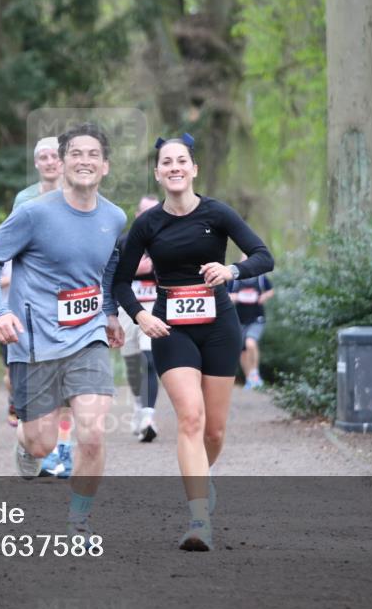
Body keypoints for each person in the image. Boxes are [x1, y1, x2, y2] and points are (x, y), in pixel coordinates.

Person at [113, 133, 273, 551]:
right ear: (158, 173)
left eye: (181, 161)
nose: (174, 168)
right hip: (171, 328)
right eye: (166, 163)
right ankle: (199, 518)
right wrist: (141, 315)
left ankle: (203, 475)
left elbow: (263, 255)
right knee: (190, 418)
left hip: (220, 325)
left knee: (214, 431)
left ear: (194, 168)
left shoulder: (216, 213)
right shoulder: (148, 224)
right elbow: (120, 281)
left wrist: (231, 272)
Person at [0, 123, 126, 539]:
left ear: (105, 166)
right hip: (35, 337)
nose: (84, 161)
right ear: (61, 163)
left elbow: (111, 264)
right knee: (41, 443)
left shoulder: (114, 217)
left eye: (93, 154)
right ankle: (25, 443)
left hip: (88, 334)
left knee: (92, 432)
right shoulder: (34, 213)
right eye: (75, 153)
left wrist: (110, 312)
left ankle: (79, 520)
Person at [0, 137, 65, 432]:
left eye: (55, 156)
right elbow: (10, 244)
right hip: (26, 295)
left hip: (64, 296)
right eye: (44, 157)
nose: (50, 162)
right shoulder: (24, 200)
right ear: (37, 164)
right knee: (16, 373)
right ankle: (17, 399)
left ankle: (59, 446)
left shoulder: (78, 196)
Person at [118, 196, 161, 442]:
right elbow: (111, 275)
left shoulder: (166, 240)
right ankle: (138, 406)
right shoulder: (124, 242)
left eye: (153, 211)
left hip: (155, 307)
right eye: (144, 211)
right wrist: (137, 270)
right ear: (137, 215)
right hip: (127, 308)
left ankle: (147, 417)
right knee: (133, 365)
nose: (149, 216)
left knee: (149, 359)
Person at [229, 253, 274, 389]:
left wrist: (264, 297)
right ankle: (250, 378)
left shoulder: (260, 278)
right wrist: (236, 296)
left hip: (256, 318)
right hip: (239, 319)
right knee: (242, 350)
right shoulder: (234, 280)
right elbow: (225, 295)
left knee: (251, 343)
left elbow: (270, 291)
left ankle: (255, 373)